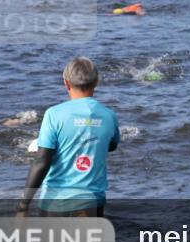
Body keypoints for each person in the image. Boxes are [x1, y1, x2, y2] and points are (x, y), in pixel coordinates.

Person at [17, 57, 121, 217]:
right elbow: (112, 145)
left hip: (55, 204)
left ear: (66, 83)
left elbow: (41, 162)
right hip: (92, 203)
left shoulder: (53, 114)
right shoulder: (109, 116)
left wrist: (23, 205)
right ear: (96, 82)